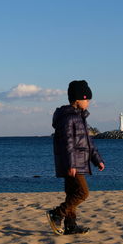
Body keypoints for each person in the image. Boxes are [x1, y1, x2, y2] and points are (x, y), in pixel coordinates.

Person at [46, 80, 105, 235]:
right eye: (87, 99)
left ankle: (70, 225)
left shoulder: (81, 118)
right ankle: (57, 213)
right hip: (72, 164)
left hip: (76, 162)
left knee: (72, 194)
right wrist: (71, 164)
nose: (89, 102)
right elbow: (68, 143)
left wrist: (97, 159)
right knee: (82, 193)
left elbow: (88, 142)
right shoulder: (68, 118)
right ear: (78, 100)